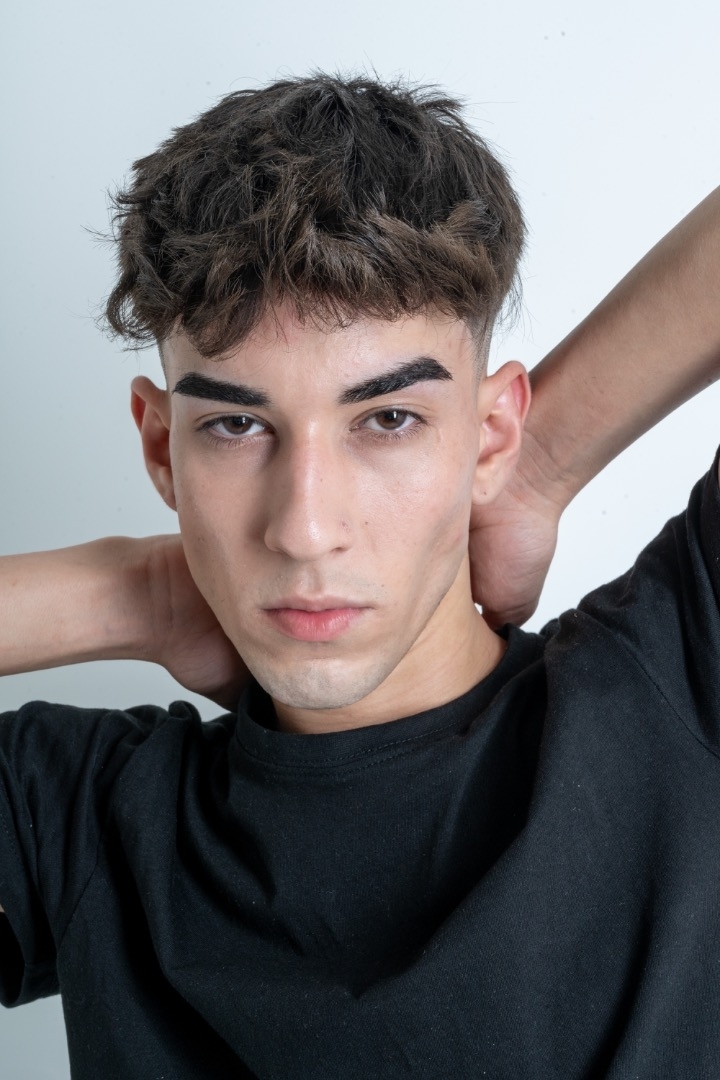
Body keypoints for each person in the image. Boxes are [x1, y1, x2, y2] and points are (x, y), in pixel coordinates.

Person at [0, 73, 719, 1079]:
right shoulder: (76, 823)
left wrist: (545, 462)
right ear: (162, 449)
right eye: (235, 425)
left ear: (490, 431)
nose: (305, 530)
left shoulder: (681, 680)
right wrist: (133, 595)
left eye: (388, 418)